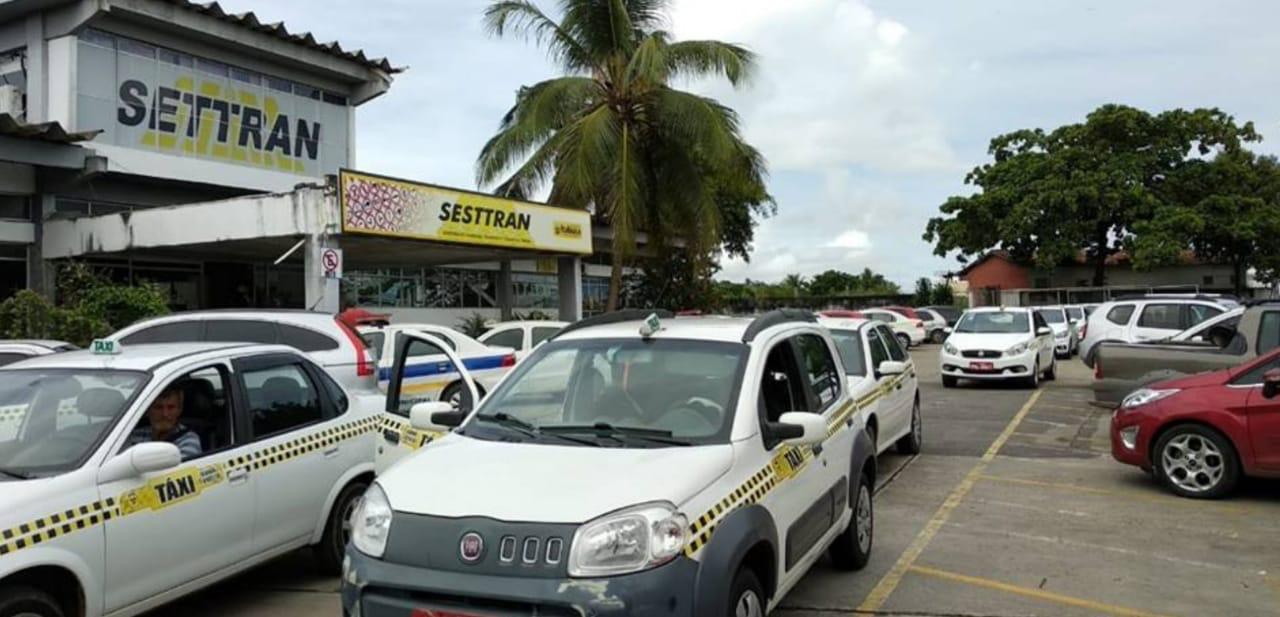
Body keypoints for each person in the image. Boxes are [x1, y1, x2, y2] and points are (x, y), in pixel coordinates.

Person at [127, 386, 202, 460]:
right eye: (158, 407)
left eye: (171, 407)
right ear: (148, 411)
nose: (165, 414)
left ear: (179, 410)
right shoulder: (134, 435)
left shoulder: (188, 440)